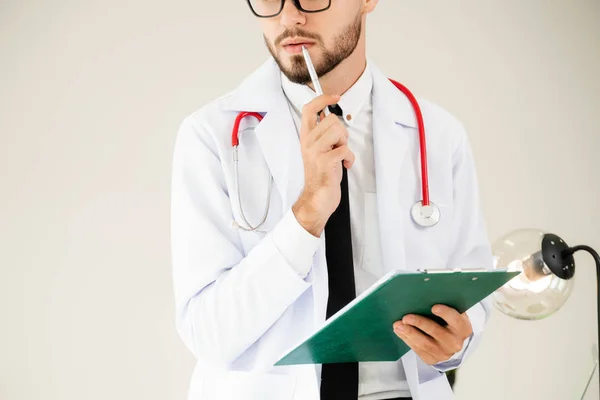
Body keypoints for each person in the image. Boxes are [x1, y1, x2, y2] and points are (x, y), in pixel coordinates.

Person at [169, 1, 493, 399]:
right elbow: (209, 334)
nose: (289, 18)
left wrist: (455, 342)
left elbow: (473, 291)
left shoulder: (439, 136)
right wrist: (307, 214)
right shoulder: (211, 136)